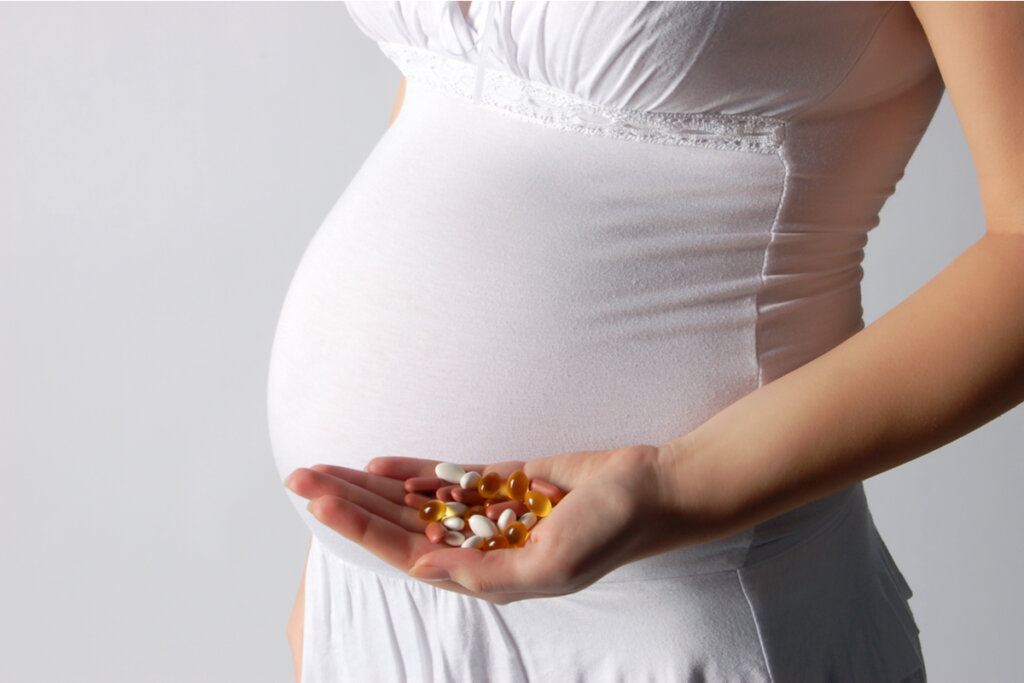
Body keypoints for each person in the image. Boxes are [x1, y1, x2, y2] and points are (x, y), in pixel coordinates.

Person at [270, 2, 1024, 681]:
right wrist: (328, 572)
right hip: (380, 596)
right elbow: (456, 82)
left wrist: (674, 484)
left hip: (681, 612)